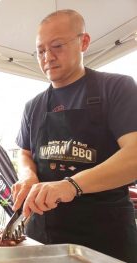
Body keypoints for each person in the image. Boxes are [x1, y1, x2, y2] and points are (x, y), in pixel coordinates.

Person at [13, 9, 137, 262]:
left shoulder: (116, 88)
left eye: (57, 45)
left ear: (84, 42)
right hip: (41, 236)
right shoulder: (33, 106)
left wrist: (72, 185)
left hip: (104, 238)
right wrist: (28, 176)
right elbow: (24, 153)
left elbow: (134, 155)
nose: (48, 57)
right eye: (40, 50)